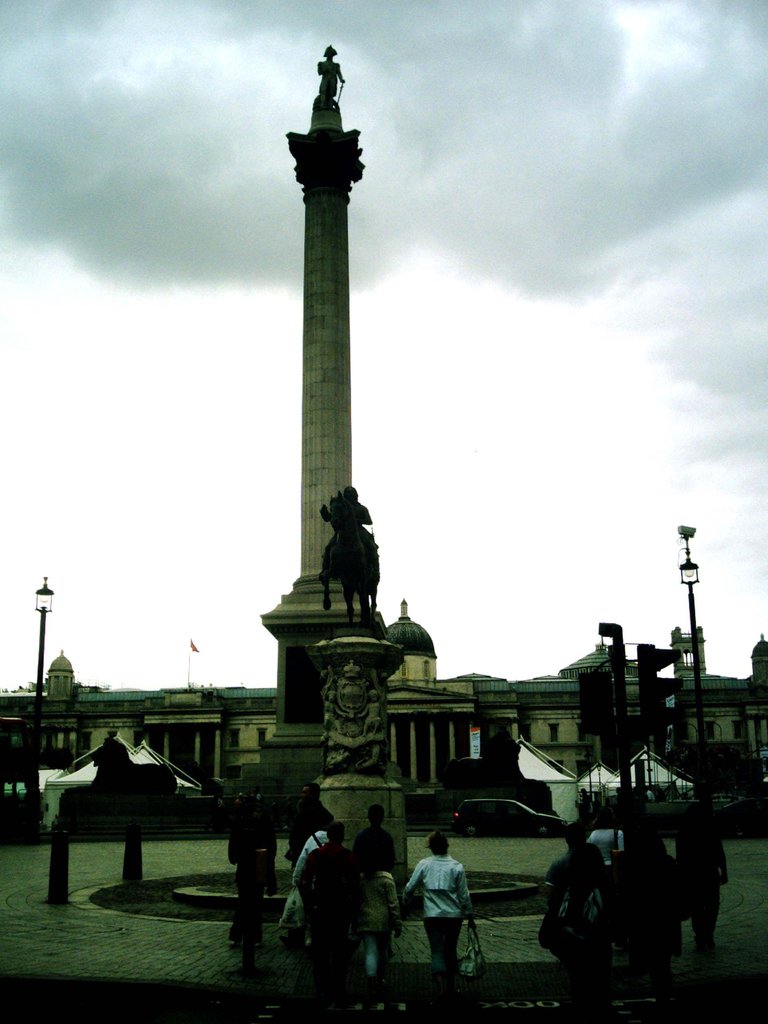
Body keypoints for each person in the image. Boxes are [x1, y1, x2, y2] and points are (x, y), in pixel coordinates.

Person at [402, 830, 474, 1000]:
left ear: (431, 848)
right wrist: (469, 914)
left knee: (436, 950)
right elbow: (464, 894)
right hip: (453, 916)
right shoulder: (456, 866)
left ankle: (440, 987)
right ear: (446, 846)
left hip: (432, 915)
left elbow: (409, 887)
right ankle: (451, 986)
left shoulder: (424, 865)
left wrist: (406, 901)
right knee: (451, 950)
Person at [542, 840, 612, 1014]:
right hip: (598, 946)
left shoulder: (568, 887)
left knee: (578, 986)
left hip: (573, 946)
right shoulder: (603, 886)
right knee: (599, 990)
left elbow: (555, 913)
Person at [301, 820, 359, 1009]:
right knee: (339, 953)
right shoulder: (348, 856)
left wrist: (309, 904)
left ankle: (321, 989)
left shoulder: (315, 855)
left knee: (320, 953)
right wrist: (352, 907)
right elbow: (354, 884)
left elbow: (305, 881)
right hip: (340, 909)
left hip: (320, 907)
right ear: (341, 836)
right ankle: (339, 990)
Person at [624, 824, 683, 1006]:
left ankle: (659, 995)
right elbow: (679, 894)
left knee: (652, 964)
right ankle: (663, 998)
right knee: (662, 965)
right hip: (665, 922)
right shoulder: (668, 863)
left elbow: (629, 896)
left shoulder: (634, 866)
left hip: (644, 923)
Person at [227, 794, 277, 973]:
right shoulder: (246, 824)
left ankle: (250, 935)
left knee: (254, 903)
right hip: (249, 867)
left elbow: (271, 848)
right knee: (246, 902)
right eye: (255, 811)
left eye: (259, 811)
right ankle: (242, 934)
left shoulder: (259, 824)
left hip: (257, 867)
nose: (257, 813)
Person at [282, 781, 333, 949]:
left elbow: (297, 836)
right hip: (315, 860)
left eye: (305, 792)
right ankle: (316, 934)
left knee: (301, 900)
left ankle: (296, 936)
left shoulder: (306, 812)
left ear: (312, 794)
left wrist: (296, 854)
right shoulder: (323, 813)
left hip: (304, 859)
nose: (301, 795)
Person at [675, 803, 728, 950]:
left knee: (696, 905)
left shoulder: (683, 834)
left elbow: (680, 857)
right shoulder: (710, 831)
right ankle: (708, 933)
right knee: (712, 905)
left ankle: (699, 934)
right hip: (710, 873)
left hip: (691, 874)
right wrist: (723, 871)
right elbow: (719, 852)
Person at [356, 860, 402, 1007]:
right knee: (383, 951)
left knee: (370, 951)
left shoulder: (361, 879)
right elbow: (393, 903)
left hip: (366, 918)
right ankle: (381, 978)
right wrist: (397, 923)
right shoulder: (386, 879)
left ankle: (371, 981)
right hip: (383, 920)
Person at [320, 486, 380, 585]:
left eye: (351, 495)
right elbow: (332, 518)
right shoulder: (341, 507)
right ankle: (324, 571)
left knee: (372, 546)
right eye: (348, 495)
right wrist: (325, 514)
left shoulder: (361, 508)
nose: (350, 496)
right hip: (343, 531)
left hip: (359, 531)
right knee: (328, 548)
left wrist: (355, 521)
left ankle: (375, 570)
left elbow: (369, 521)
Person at [353, 803, 395, 876]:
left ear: (369, 817)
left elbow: (355, 859)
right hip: (382, 875)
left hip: (364, 877)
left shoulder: (361, 836)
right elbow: (390, 862)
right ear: (382, 818)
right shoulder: (387, 837)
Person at [316, 45, 345, 111]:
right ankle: (322, 105)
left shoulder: (336, 65)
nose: (331, 56)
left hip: (333, 79)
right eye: (330, 54)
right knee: (324, 91)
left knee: (331, 93)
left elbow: (339, 73)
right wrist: (320, 67)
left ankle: (330, 106)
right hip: (325, 79)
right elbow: (319, 73)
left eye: (332, 55)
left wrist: (341, 79)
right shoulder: (322, 63)